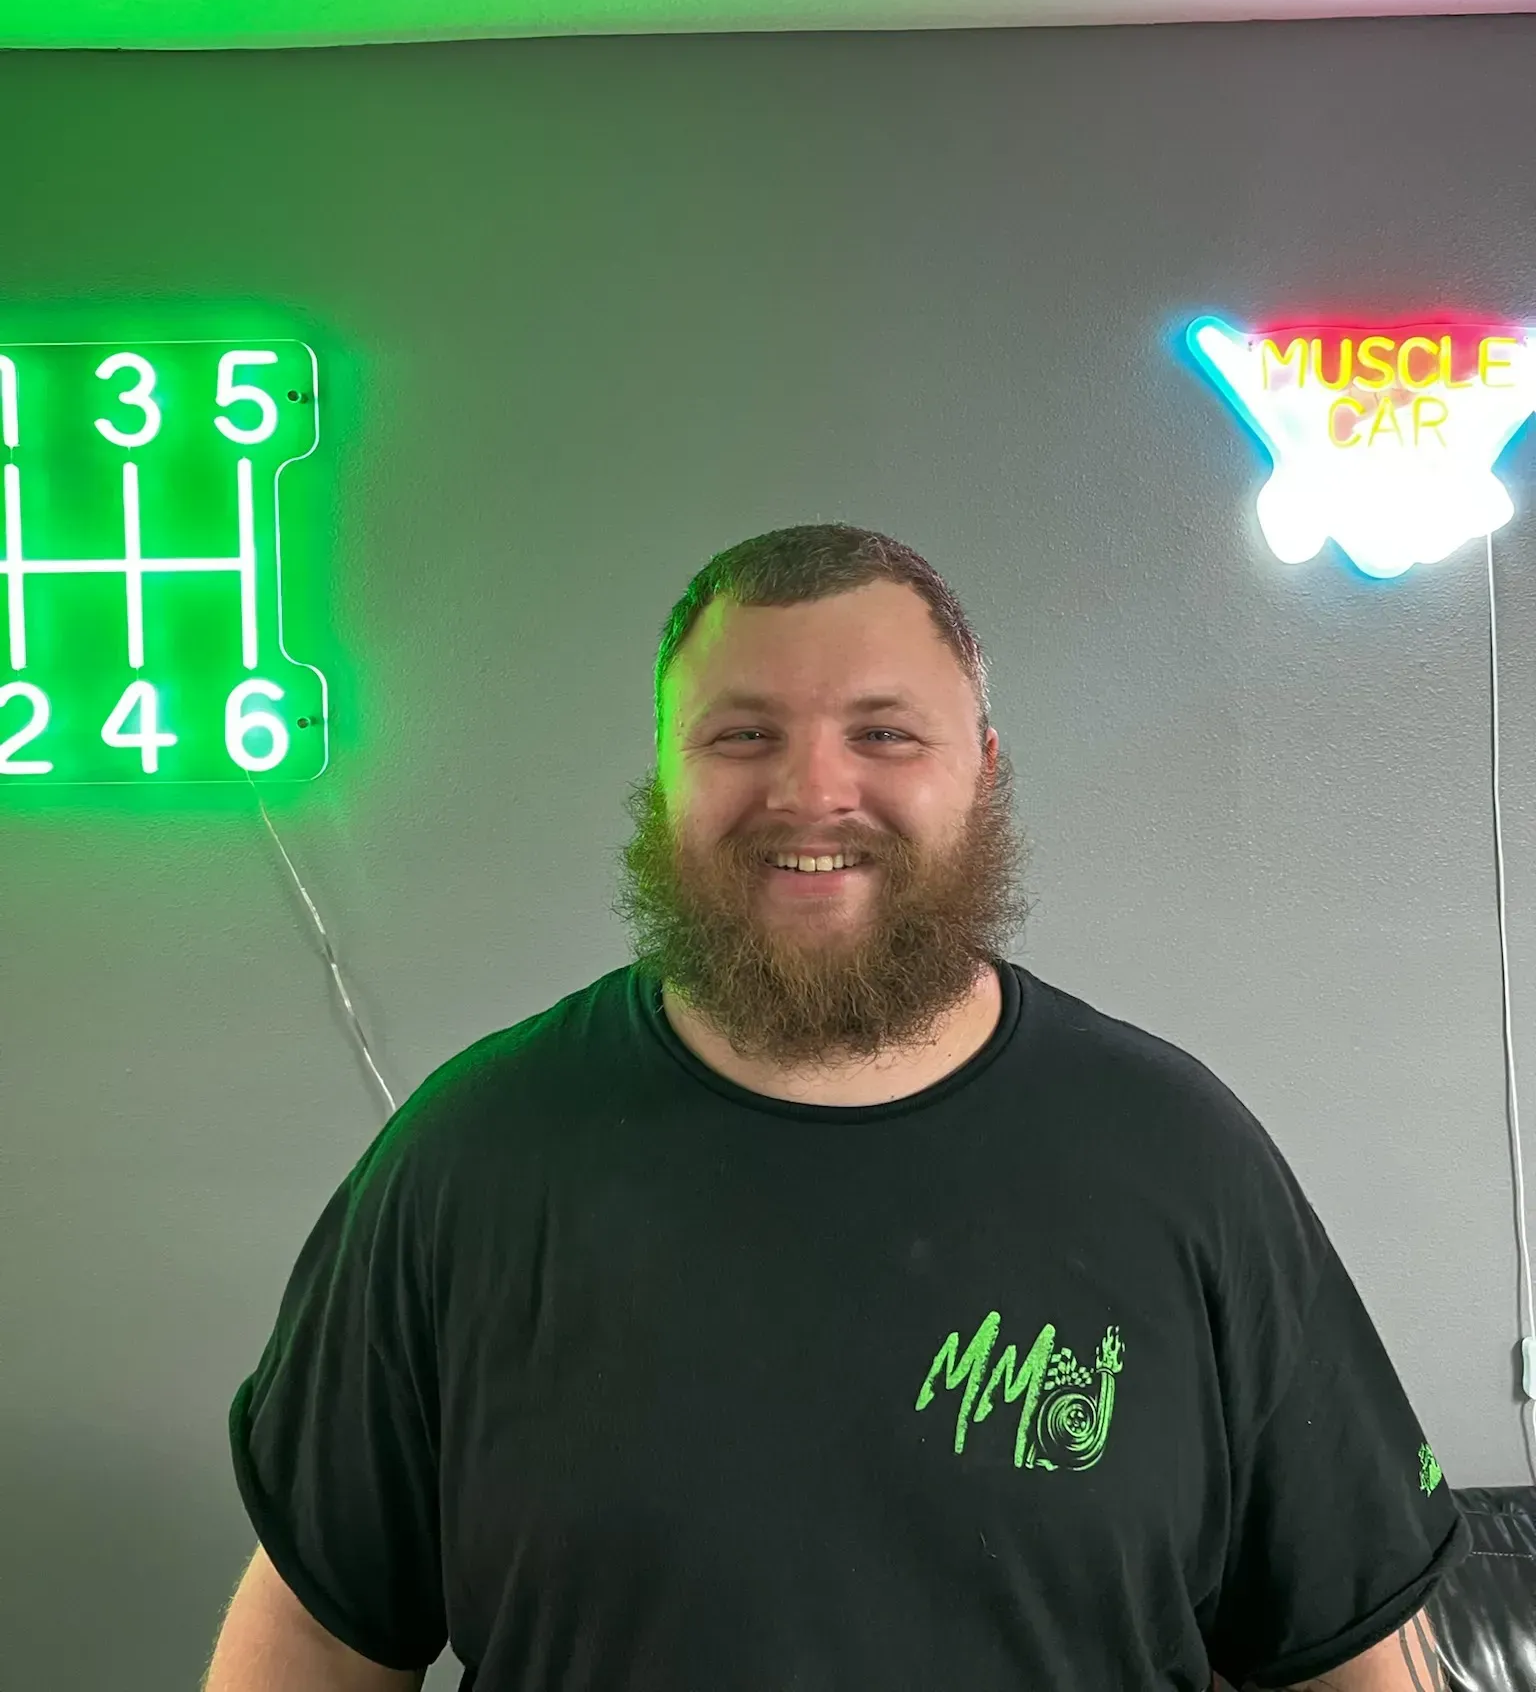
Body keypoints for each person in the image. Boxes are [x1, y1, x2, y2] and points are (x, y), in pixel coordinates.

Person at [204, 524, 1468, 1692]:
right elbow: (314, 1632)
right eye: (742, 734)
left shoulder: (1184, 1157)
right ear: (663, 772)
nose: (813, 792)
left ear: (982, 767)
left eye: (884, 733)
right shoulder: (467, 1157)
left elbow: (1350, 1655)